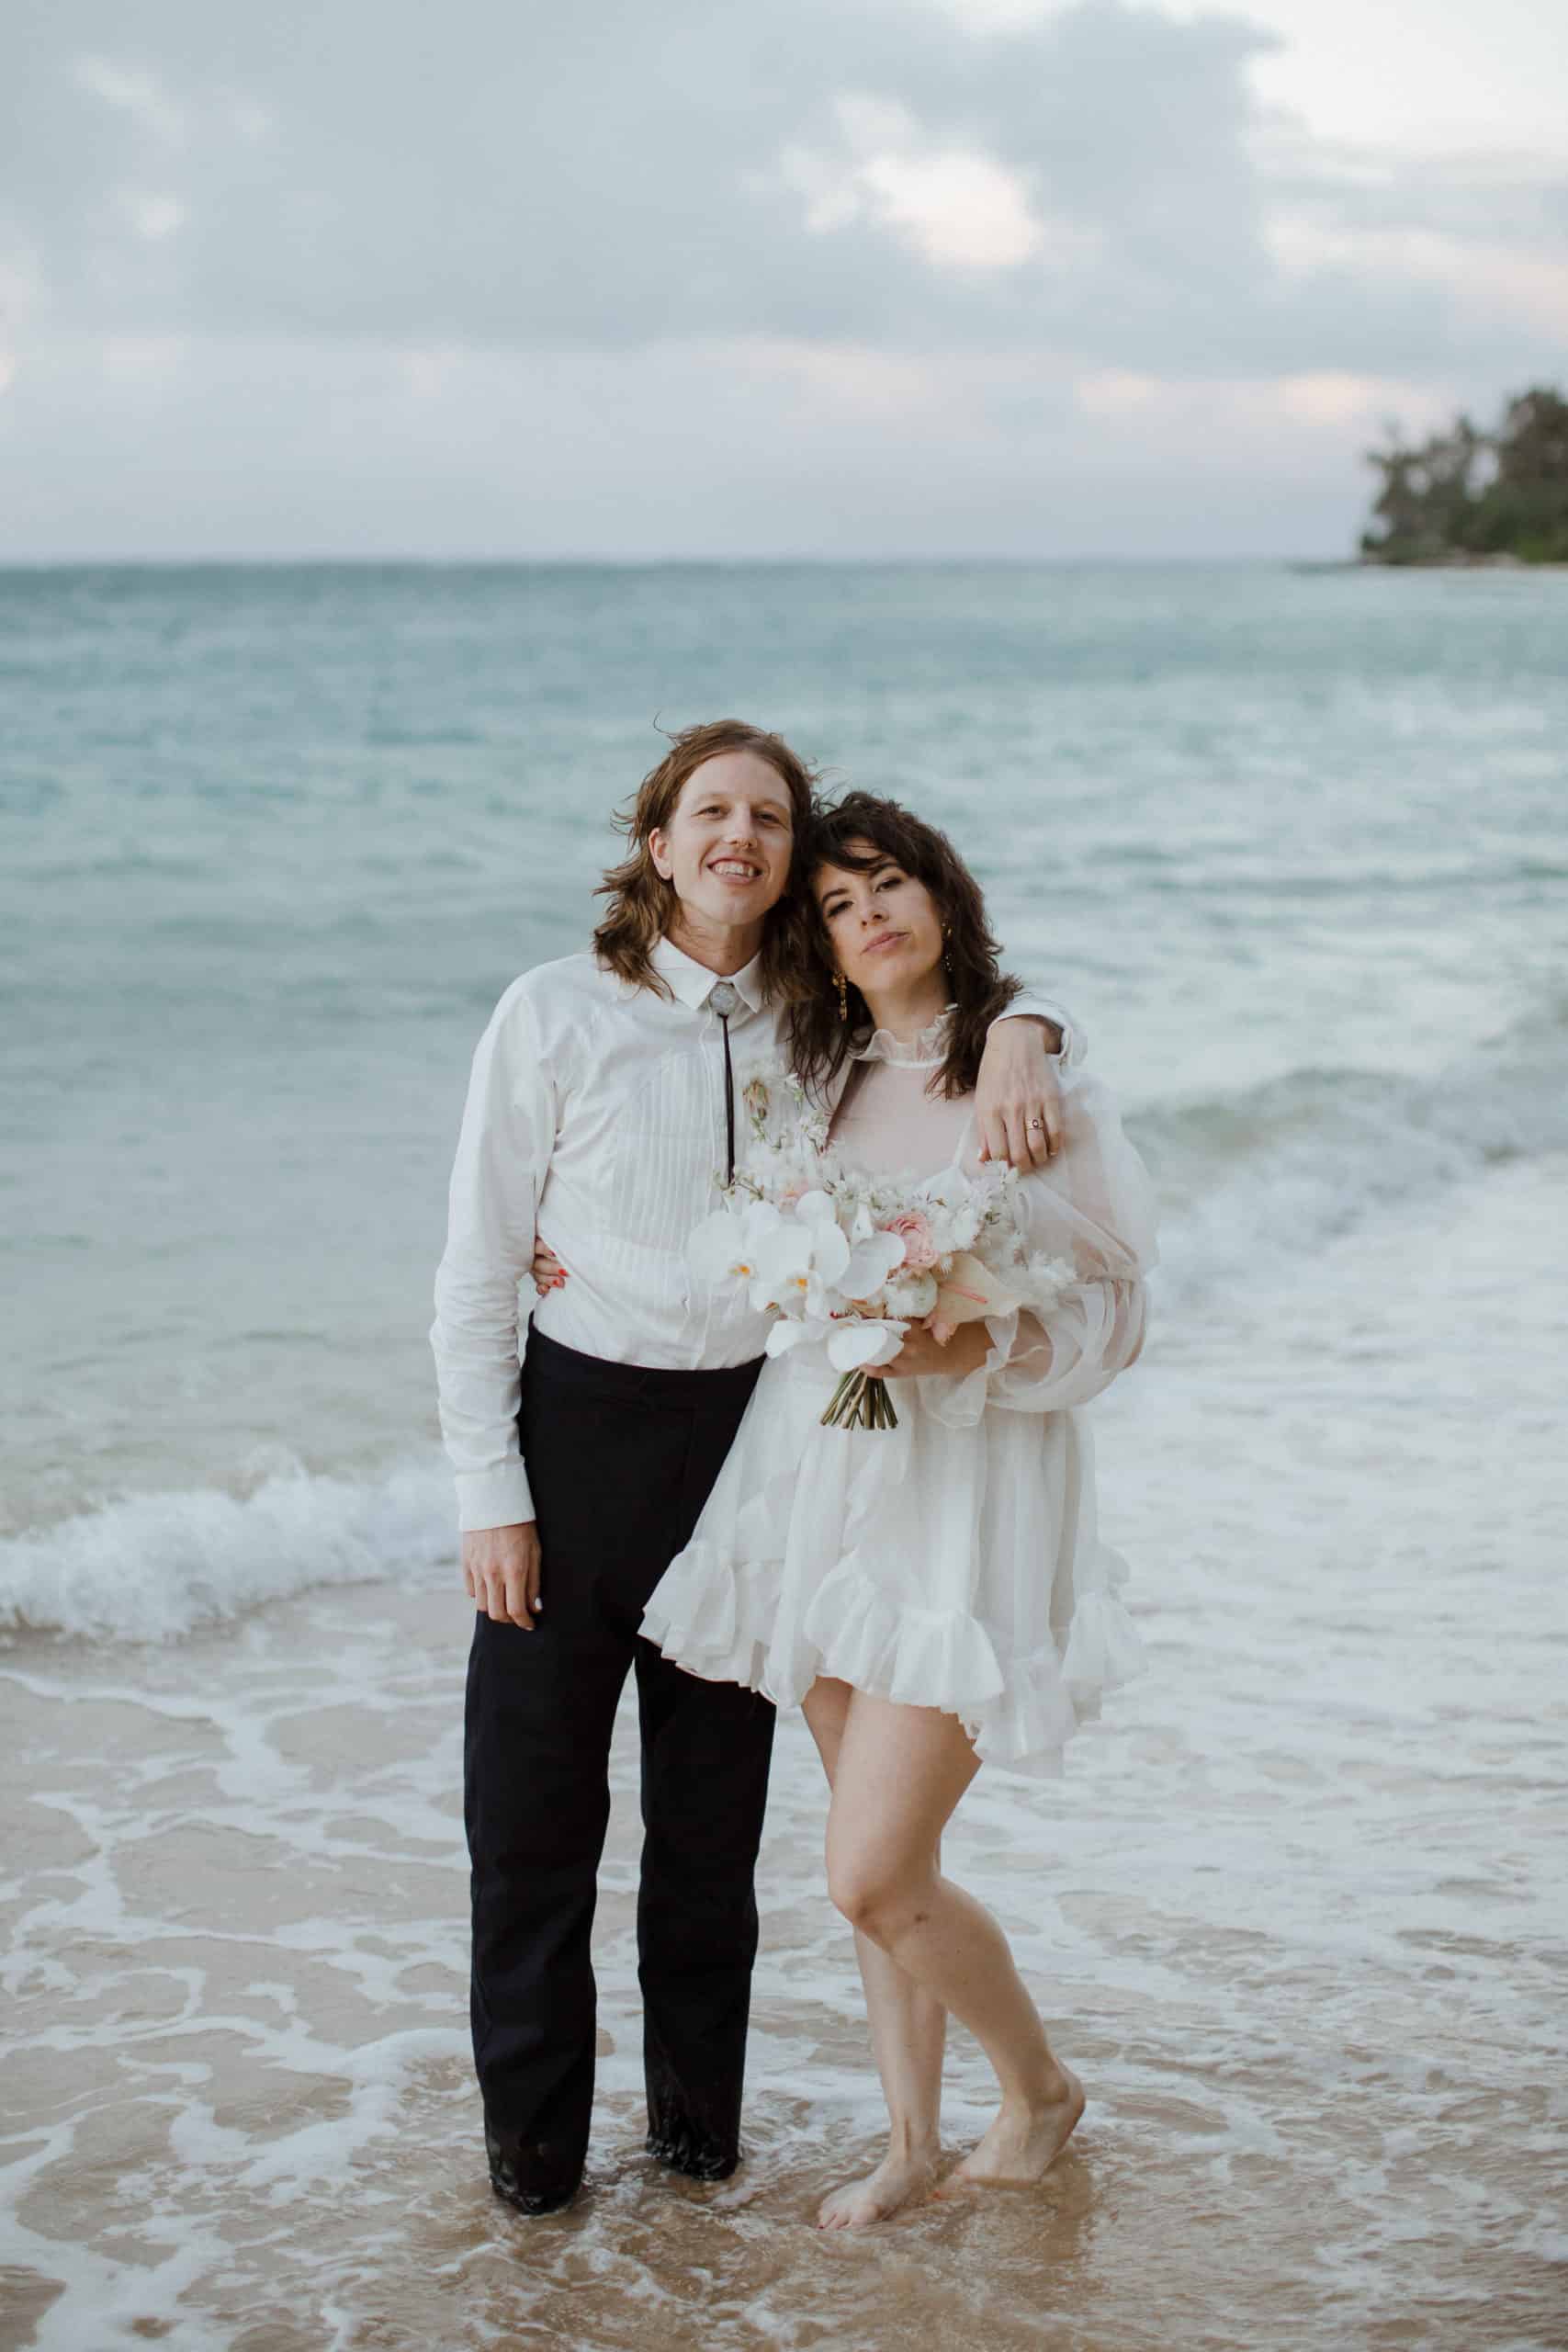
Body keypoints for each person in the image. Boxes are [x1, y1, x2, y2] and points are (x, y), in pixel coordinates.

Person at [430, 720, 1080, 2217]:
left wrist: (1035, 1031)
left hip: (750, 1453)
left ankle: (694, 2154)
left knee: (709, 1839)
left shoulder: (818, 1021)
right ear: (655, 843)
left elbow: (955, 1018)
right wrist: (489, 1490)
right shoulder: (550, 1014)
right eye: (708, 811)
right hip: (572, 1439)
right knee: (531, 1825)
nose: (740, 835)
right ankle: (534, 2171)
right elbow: (473, 1268)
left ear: (788, 858)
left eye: (769, 817)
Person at [639, 790, 1156, 2228]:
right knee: (890, 1866)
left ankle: (1041, 2088)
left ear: (941, 893)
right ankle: (910, 2142)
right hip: (825, 1483)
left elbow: (1116, 1314)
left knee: (867, 1874)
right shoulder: (825, 1072)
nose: (866, 920)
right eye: (837, 906)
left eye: (887, 889)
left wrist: (973, 1339)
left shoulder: (1031, 1080)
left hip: (967, 1498)